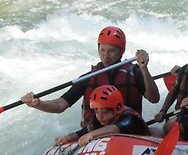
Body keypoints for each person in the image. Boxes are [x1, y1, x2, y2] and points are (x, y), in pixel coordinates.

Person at [21, 26, 160, 127]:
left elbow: (154, 98)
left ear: (122, 51)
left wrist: (144, 69)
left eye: (111, 50)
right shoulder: (88, 78)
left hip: (126, 130)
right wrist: (39, 104)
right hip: (93, 133)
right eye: (102, 50)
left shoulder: (134, 72)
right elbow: (60, 105)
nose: (106, 55)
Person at [55, 85, 149, 146]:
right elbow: (81, 132)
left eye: (105, 112)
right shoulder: (99, 119)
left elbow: (114, 129)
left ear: (118, 108)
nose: (100, 116)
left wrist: (91, 135)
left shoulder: (130, 118)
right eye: (96, 111)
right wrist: (68, 138)